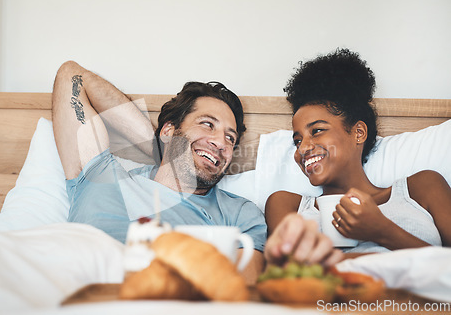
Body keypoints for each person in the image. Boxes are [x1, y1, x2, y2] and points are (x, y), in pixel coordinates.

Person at [52, 61, 342, 284]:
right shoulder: (101, 173)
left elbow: (244, 287)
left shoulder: (239, 213)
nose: (220, 142)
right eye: (207, 124)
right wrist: (159, 146)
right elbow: (71, 75)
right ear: (168, 129)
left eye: (230, 137)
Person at [265, 49, 451, 256]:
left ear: (359, 133)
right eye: (297, 141)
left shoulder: (422, 188)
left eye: (317, 131)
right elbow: (287, 277)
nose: (303, 148)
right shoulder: (287, 205)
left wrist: (382, 231)